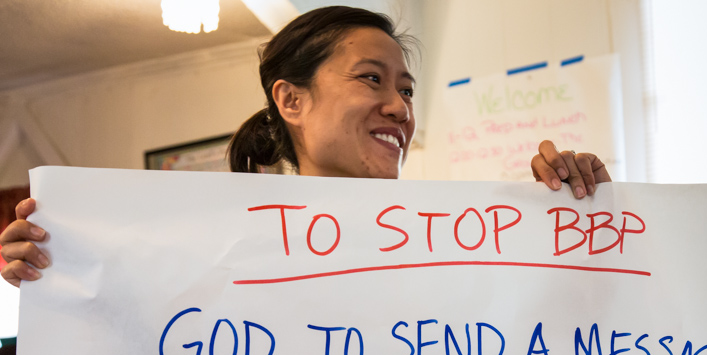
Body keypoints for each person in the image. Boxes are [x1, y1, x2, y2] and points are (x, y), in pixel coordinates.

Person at [0, 6, 610, 288]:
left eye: (406, 89)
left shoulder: (461, 247)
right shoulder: (216, 246)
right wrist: (54, 264)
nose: (400, 107)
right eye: (371, 79)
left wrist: (573, 216)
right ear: (291, 101)